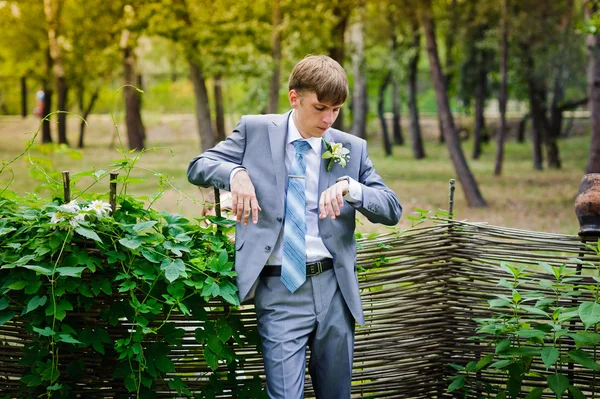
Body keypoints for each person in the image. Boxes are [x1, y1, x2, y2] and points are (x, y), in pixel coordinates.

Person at [187, 55, 402, 399]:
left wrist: (353, 188)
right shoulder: (255, 130)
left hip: (334, 289)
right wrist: (235, 174)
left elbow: (392, 209)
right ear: (294, 98)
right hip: (279, 289)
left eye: (336, 110)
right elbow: (199, 165)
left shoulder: (350, 148)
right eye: (320, 108)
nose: (328, 119)